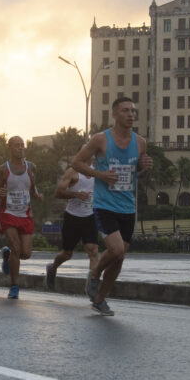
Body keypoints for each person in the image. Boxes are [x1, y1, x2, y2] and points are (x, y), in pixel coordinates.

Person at [71, 97, 152, 316]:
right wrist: (100, 175)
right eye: (125, 110)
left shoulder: (141, 143)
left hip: (128, 206)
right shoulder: (101, 139)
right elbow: (76, 163)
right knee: (115, 250)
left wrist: (143, 167)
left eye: (133, 111)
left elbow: (135, 171)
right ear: (114, 115)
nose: (131, 114)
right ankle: (95, 273)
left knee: (120, 256)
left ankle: (100, 299)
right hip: (104, 204)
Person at [0, 136, 43, 300]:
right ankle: (14, 286)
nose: (21, 148)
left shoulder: (32, 167)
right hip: (8, 214)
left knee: (25, 253)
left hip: (25, 214)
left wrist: (37, 195)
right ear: (10, 148)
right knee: (16, 248)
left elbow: (32, 188)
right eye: (17, 145)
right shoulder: (2, 169)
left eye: (22, 145)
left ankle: (7, 256)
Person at [45, 159, 98, 291]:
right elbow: (58, 192)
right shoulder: (72, 172)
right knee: (67, 253)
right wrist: (76, 194)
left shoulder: (97, 171)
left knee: (93, 251)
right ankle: (52, 267)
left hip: (90, 216)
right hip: (72, 217)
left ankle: (92, 286)